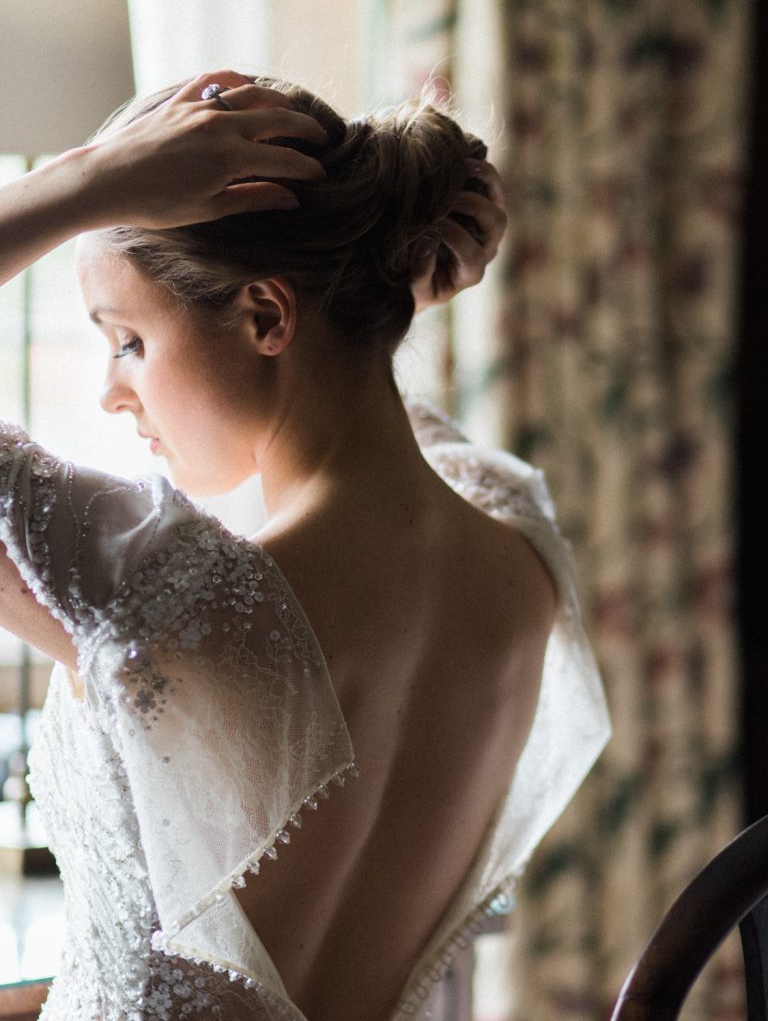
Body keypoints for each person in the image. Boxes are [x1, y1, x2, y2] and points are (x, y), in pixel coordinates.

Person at [0, 72, 609, 1021]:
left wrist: (89, 183)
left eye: (127, 342)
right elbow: (378, 413)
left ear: (266, 318)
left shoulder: (162, 600)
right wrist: (372, 292)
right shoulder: (519, 557)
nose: (113, 396)